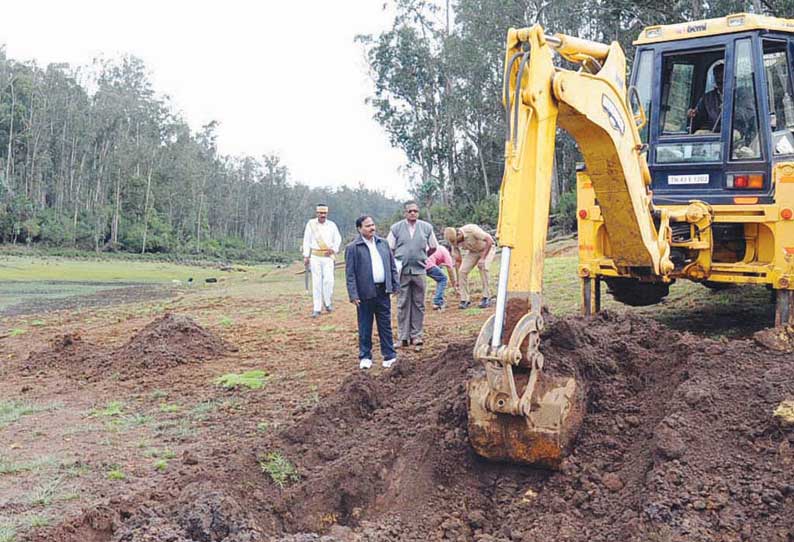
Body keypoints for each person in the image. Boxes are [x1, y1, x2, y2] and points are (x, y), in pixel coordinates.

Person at [345, 215, 399, 370]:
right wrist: (353, 294)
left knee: (385, 325)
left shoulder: (383, 243)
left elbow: (391, 265)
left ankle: (389, 355)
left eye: (373, 225)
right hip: (364, 293)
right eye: (368, 226)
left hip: (383, 291)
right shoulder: (353, 248)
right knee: (365, 326)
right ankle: (365, 356)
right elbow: (350, 274)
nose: (372, 228)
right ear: (359, 228)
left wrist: (394, 284)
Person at [388, 201, 438, 351]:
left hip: (419, 270)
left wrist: (422, 257)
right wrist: (395, 263)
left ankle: (416, 335)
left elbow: (434, 246)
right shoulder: (396, 228)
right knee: (402, 303)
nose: (413, 213)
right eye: (410, 211)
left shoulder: (426, 228)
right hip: (402, 271)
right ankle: (403, 337)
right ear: (405, 213)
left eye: (415, 211)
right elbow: (389, 247)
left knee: (419, 303)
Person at [302, 204, 341, 318]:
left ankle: (328, 302)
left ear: (327, 214)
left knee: (329, 281)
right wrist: (306, 255)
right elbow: (306, 240)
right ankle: (317, 308)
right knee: (317, 282)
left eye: (324, 213)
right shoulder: (311, 224)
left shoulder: (332, 225)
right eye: (320, 213)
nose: (322, 215)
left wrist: (333, 249)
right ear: (317, 213)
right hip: (315, 256)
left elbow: (337, 239)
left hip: (328, 256)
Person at [444, 224, 495, 309]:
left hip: (487, 248)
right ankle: (464, 299)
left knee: (483, 267)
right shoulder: (453, 241)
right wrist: (457, 279)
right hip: (473, 252)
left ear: (459, 234)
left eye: (457, 241)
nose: (457, 244)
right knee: (462, 271)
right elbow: (458, 260)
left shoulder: (472, 230)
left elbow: (489, 241)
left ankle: (487, 297)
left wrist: (482, 259)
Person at [688, 62, 724, 133]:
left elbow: (746, 116)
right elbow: (699, 116)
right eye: (717, 78)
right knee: (698, 134)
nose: (719, 80)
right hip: (713, 131)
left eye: (722, 77)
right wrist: (693, 114)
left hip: (733, 131)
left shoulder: (739, 96)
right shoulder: (707, 98)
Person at [425, 244, 457, 310]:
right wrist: (454, 285)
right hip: (428, 265)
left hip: (419, 264)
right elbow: (450, 269)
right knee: (443, 279)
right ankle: (438, 302)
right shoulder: (446, 252)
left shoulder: (439, 247)